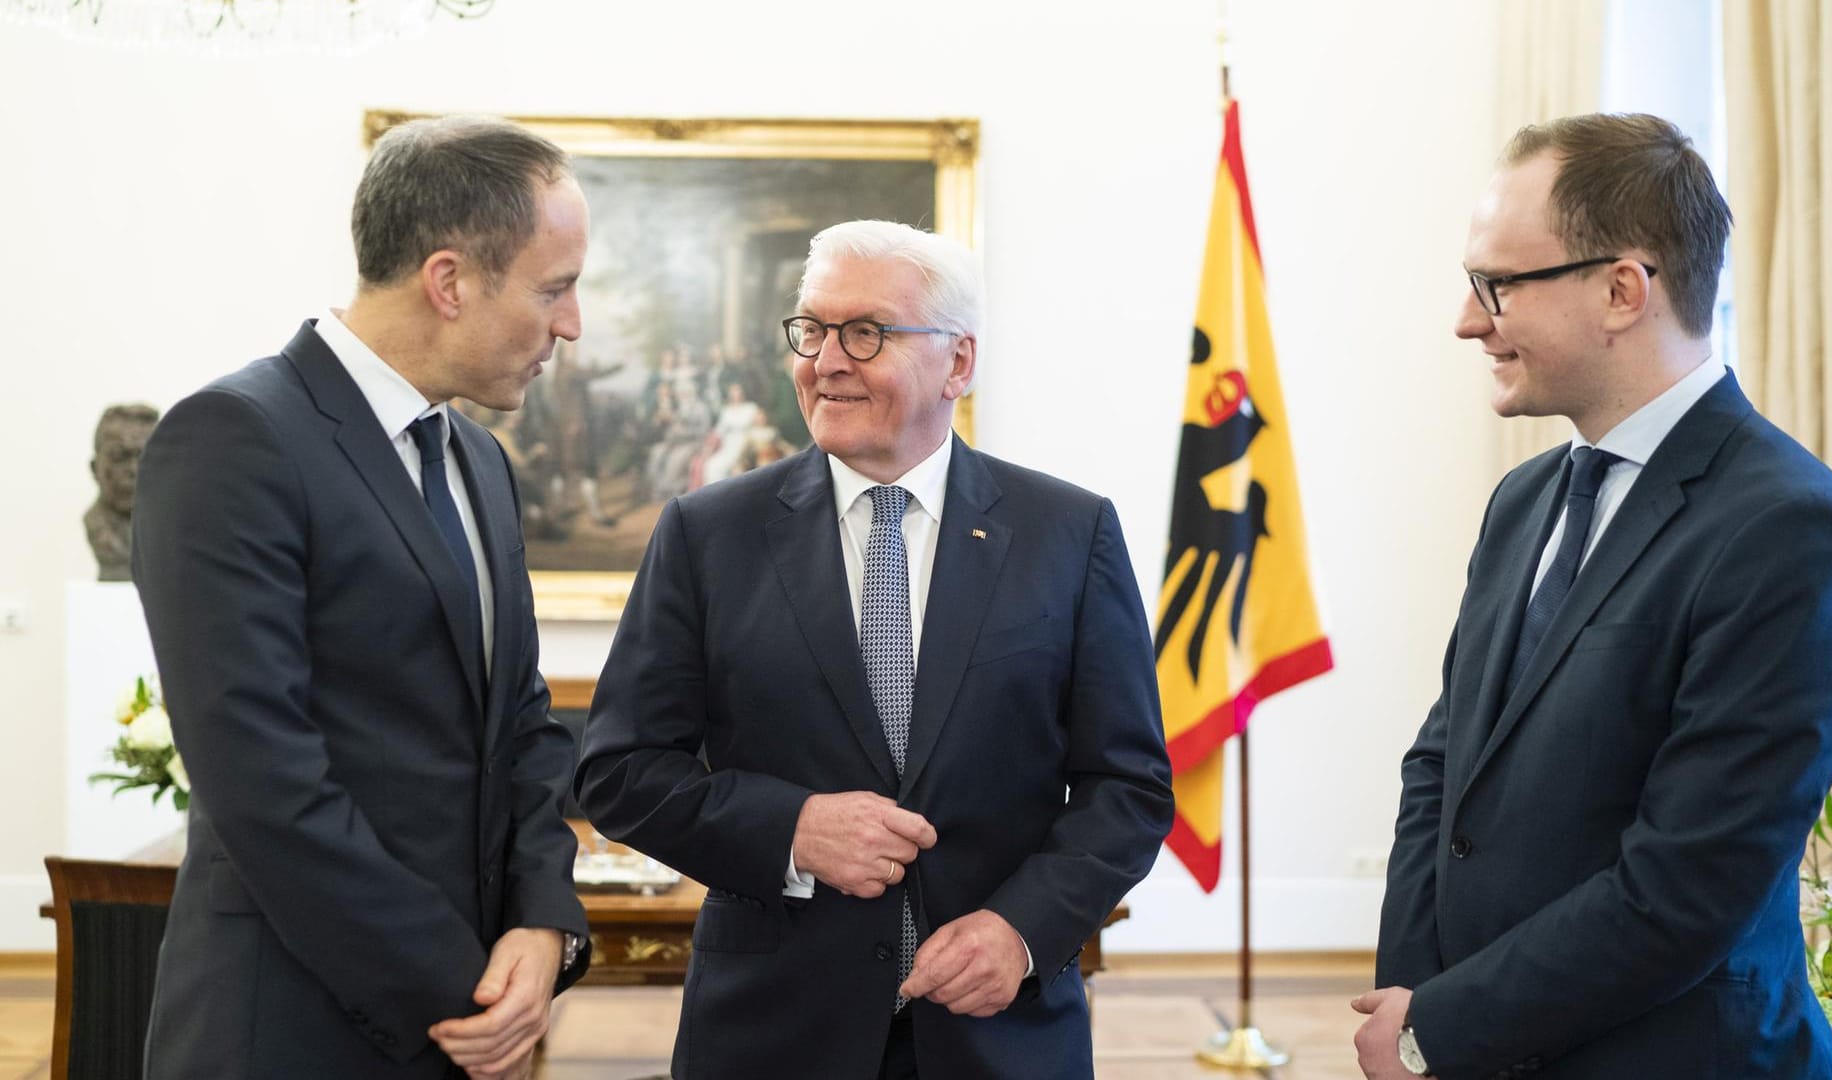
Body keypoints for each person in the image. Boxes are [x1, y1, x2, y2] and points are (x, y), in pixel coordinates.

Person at [576, 219, 1174, 1080]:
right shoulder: (709, 534)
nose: (826, 361)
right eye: (812, 330)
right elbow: (619, 771)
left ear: (958, 363)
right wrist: (791, 829)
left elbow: (1128, 786)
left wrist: (1022, 929)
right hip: (771, 1033)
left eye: (867, 333)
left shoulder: (1068, 533)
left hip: (997, 1032)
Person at [1356, 113, 1832, 1079]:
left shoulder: (1791, 528)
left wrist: (1443, 1026)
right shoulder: (1524, 501)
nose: (1470, 320)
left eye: (1498, 285)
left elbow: (1686, 885)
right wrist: (1416, 1000)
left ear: (1620, 289)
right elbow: (1442, 768)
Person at [132, 114, 593, 1080]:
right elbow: (263, 778)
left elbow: (524, 721)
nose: (570, 324)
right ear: (450, 281)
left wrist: (545, 926)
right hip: (289, 1026)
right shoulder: (233, 438)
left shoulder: (478, 459)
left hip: (466, 1020)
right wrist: (460, 986)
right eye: (554, 288)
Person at [82, 402, 158, 581]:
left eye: (144, 457)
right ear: (94, 468)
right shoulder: (94, 524)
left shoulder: (172, 529)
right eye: (118, 457)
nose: (133, 469)